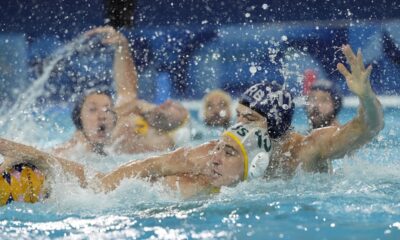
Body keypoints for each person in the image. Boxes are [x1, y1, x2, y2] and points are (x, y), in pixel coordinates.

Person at [0, 123, 272, 203]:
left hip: (117, 201)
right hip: (104, 194)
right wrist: (106, 188)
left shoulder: (249, 196)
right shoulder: (193, 163)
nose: (215, 157)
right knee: (43, 164)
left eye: (229, 154)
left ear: (253, 168)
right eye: (218, 148)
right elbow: (146, 168)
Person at [53, 26, 189, 157]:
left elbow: (127, 91)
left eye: (107, 108)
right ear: (79, 119)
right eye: (92, 109)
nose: (102, 115)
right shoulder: (75, 147)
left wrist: (122, 47)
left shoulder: (151, 138)